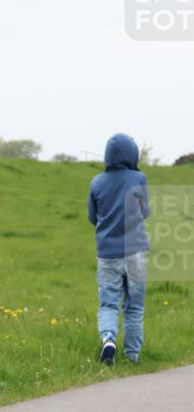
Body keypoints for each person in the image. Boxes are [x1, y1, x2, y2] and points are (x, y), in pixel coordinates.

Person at [88, 133, 150, 365]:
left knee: (108, 304)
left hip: (107, 255)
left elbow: (93, 217)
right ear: (132, 154)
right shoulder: (139, 178)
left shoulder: (97, 182)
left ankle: (108, 339)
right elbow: (144, 211)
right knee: (134, 308)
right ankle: (132, 357)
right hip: (135, 252)